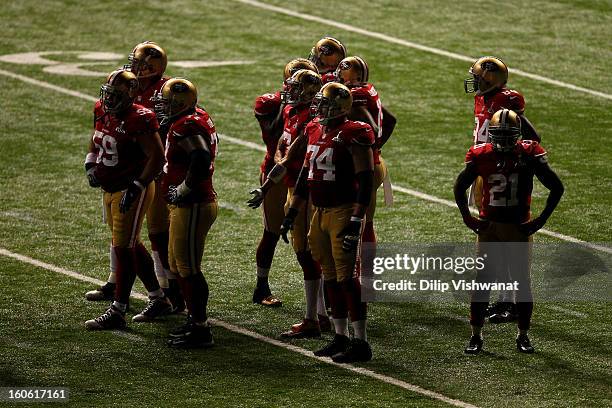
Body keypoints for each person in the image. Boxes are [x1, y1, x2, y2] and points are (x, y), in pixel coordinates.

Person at [85, 41, 184, 313]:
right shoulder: (122, 89)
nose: (135, 68)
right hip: (124, 168)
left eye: (141, 64)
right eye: (135, 62)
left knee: (156, 231)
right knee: (123, 233)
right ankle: (117, 281)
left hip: (152, 170)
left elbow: (173, 130)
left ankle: (168, 287)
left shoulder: (166, 91)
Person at [454, 109, 564, 354]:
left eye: (508, 135)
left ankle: (523, 335)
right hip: (490, 226)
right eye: (499, 135)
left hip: (516, 226)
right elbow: (459, 186)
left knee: (521, 283)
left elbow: (557, 187)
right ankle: (476, 336)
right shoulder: (481, 154)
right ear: (490, 134)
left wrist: (540, 220)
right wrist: (466, 216)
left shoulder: (529, 153)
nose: (503, 140)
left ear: (518, 135)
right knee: (482, 282)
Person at [281, 82, 375, 363]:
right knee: (331, 277)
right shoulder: (313, 129)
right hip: (319, 212)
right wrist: (292, 212)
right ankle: (340, 336)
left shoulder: (354, 133)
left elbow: (367, 179)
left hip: (343, 211)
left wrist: (357, 218)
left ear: (338, 108)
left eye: (324, 104)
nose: (318, 108)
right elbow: (304, 176)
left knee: (347, 279)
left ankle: (361, 342)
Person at [249, 69, 330, 338]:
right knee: (305, 252)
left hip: (306, 189)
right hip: (293, 184)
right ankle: (319, 314)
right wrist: (267, 186)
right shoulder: (291, 112)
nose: (288, 92)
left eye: (295, 88)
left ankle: (316, 318)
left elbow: (293, 158)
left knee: (308, 253)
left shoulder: (313, 120)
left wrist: (268, 186)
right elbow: (283, 156)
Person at [464, 56, 541, 323]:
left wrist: (511, 162)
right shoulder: (483, 99)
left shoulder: (505, 101)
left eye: (477, 77)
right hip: (485, 169)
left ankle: (508, 301)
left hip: (499, 173)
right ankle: (502, 299)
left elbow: (532, 136)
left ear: (489, 79)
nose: (474, 82)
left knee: (505, 240)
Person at [155, 78, 219, 348]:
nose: (162, 107)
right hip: (186, 205)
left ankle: (201, 328)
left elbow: (202, 158)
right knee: (178, 265)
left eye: (167, 103)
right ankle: (194, 319)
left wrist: (183, 189)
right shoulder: (192, 116)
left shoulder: (187, 124)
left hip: (193, 204)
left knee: (189, 269)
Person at [334, 55, 397, 256]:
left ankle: (360, 275)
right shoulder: (367, 89)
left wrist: (369, 147)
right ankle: (367, 278)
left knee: (356, 225)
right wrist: (376, 146)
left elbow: (374, 125)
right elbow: (391, 120)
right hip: (374, 162)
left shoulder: (356, 97)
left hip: (364, 167)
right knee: (366, 224)